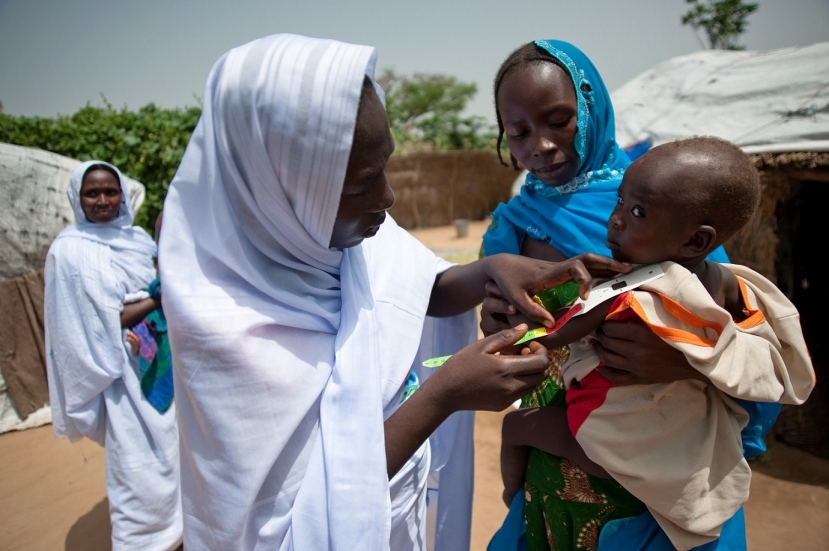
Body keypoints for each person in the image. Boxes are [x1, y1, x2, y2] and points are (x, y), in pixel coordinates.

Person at [157, 34, 628, 551]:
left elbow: (426, 288)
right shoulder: (225, 334)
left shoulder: (348, 243)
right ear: (279, 196)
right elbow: (291, 523)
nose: (389, 197)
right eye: (362, 186)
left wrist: (492, 267)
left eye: (384, 168)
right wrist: (442, 395)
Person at [481, 40, 785, 550]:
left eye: (559, 121)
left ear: (592, 108)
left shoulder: (661, 204)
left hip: (656, 468)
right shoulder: (509, 229)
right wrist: (502, 329)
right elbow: (507, 345)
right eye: (520, 131)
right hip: (555, 469)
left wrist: (684, 364)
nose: (542, 145)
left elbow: (752, 342)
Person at [45, 161, 182, 550]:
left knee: (175, 453)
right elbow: (91, 319)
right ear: (78, 198)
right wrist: (157, 296)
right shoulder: (68, 252)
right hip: (119, 373)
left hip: (161, 362)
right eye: (92, 193)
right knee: (137, 466)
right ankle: (141, 539)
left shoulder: (138, 240)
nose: (103, 200)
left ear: (122, 194)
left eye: (110, 191)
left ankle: (183, 532)